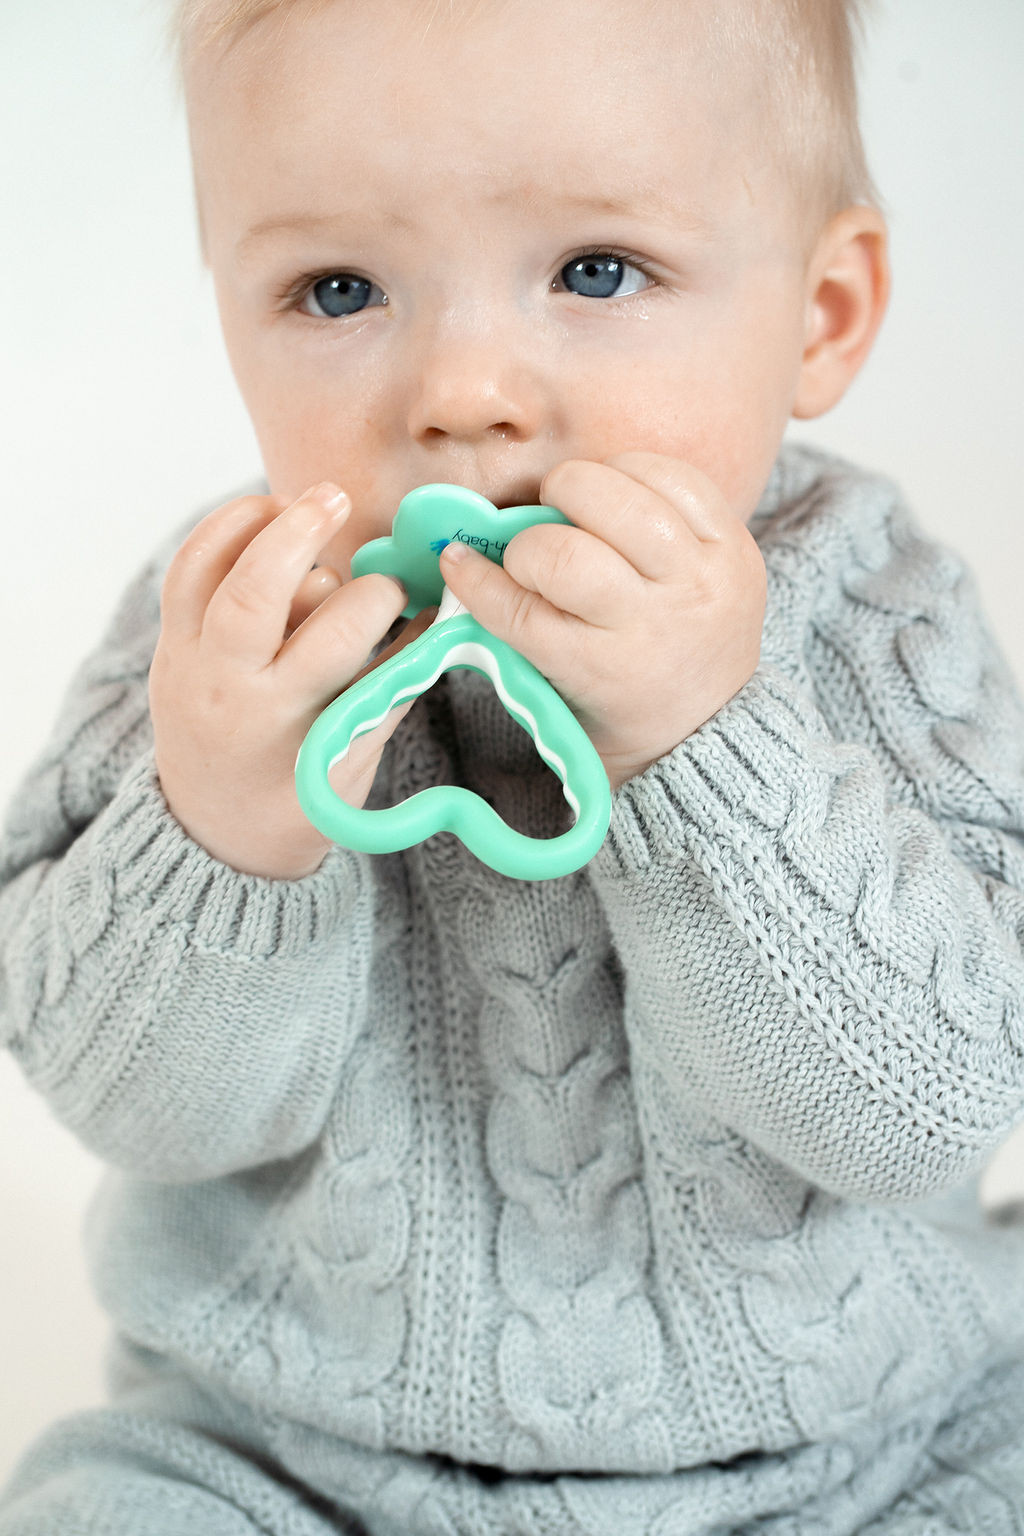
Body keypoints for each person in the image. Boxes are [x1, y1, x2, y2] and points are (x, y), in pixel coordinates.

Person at [2, 0, 1024, 1529]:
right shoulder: (223, 633)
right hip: (294, 1450)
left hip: (865, 1443)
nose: (460, 391)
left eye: (596, 270)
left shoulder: (871, 604)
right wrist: (219, 825)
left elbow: (926, 1108)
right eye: (338, 288)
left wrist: (707, 741)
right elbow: (131, 1114)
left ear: (820, 315)